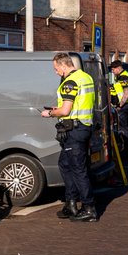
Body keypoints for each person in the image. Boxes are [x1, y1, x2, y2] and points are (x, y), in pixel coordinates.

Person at [41, 53, 97, 222]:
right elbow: (77, 104)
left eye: (56, 69)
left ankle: (89, 208)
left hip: (75, 130)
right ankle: (71, 203)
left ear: (63, 66)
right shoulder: (86, 77)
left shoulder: (69, 82)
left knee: (78, 169)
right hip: (84, 126)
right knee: (65, 164)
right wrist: (58, 108)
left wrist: (50, 113)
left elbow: (65, 110)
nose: (56, 72)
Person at [108, 60, 128, 163]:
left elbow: (126, 94)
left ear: (118, 68)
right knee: (123, 127)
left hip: (125, 106)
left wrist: (120, 105)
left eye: (113, 69)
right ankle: (125, 151)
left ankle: (126, 152)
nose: (112, 71)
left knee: (123, 128)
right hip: (126, 105)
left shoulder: (123, 77)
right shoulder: (120, 76)